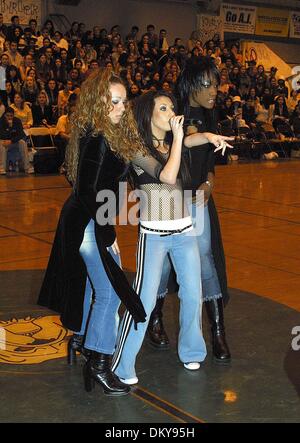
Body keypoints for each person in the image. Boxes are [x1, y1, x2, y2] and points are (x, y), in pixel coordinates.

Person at [37, 68, 146, 396]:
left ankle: (82, 340)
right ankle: (98, 364)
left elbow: (88, 185)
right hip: (87, 222)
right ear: (98, 102)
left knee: (91, 286)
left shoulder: (95, 131)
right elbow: (88, 191)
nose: (120, 107)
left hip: (81, 217)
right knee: (110, 292)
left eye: (123, 102)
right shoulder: (100, 138)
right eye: (113, 101)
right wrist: (106, 234)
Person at [112, 90, 232, 384]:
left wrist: (210, 136)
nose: (170, 113)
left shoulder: (172, 143)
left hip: (184, 231)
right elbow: (167, 176)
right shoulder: (137, 150)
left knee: (193, 293)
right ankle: (122, 364)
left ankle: (192, 351)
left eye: (171, 107)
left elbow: (192, 140)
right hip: (154, 236)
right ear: (148, 116)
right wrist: (180, 139)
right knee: (144, 300)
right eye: (163, 108)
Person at [148, 57, 232, 364]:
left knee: (206, 260)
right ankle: (153, 320)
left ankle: (218, 332)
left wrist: (208, 185)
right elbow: (164, 151)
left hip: (197, 200)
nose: (214, 91)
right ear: (191, 85)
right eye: (207, 84)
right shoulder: (171, 109)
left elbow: (208, 163)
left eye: (216, 83)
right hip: (167, 198)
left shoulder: (211, 115)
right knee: (163, 266)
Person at [0, 107, 33, 174]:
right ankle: (2, 168)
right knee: (2, 145)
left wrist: (11, 141)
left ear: (13, 115)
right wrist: (9, 127)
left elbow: (21, 134)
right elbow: (2, 135)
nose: (9, 117)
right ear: (4, 115)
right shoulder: (1, 121)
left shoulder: (17, 121)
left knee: (23, 143)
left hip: (13, 141)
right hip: (3, 140)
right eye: (7, 116)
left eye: (11, 116)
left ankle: (27, 167)